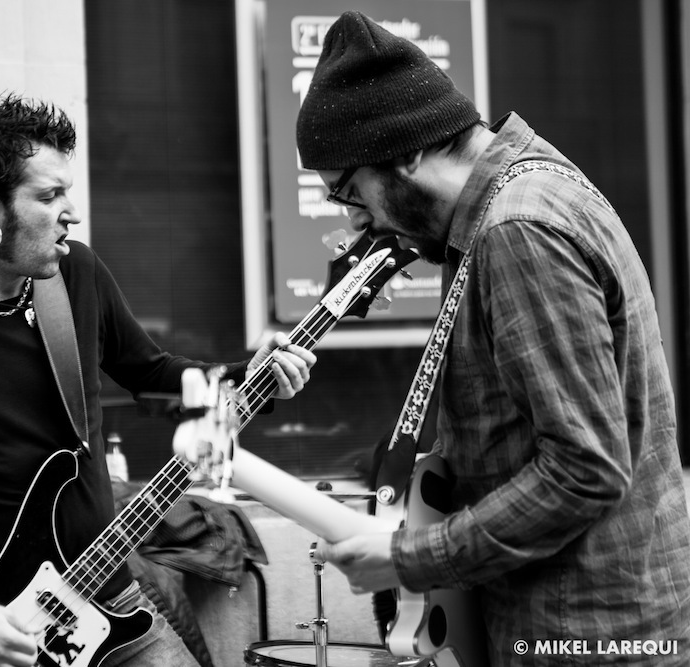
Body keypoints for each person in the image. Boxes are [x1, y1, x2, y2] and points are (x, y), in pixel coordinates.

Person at [0, 92, 317, 667]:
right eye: (49, 196)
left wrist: (248, 375)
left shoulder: (76, 274)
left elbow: (151, 372)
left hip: (106, 595)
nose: (72, 212)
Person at [295, 11, 690, 666]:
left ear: (409, 152)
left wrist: (409, 558)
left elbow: (585, 472)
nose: (355, 219)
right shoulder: (530, 182)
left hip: (582, 635)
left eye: (350, 192)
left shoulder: (515, 233)